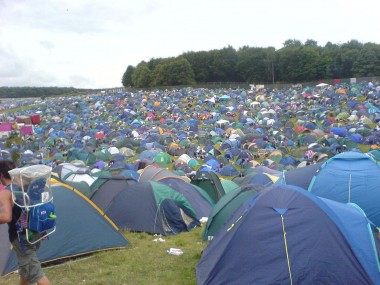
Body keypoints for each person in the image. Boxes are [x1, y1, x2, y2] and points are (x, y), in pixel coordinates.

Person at [0, 160, 51, 285]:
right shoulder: (24, 186)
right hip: (36, 233)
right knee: (25, 268)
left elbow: (6, 217)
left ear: (1, 174)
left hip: (21, 238)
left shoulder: (6, 192)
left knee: (35, 274)